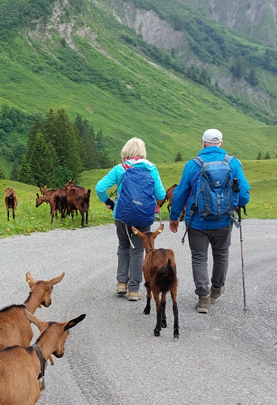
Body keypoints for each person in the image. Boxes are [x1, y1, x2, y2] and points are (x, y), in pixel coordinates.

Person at [168, 128, 251, 314]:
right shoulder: (233, 163)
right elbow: (244, 194)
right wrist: (235, 205)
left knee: (199, 257)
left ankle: (203, 299)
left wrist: (174, 217)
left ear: (203, 143)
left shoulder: (193, 165)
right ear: (221, 144)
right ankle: (216, 289)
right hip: (223, 220)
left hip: (197, 221)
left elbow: (180, 193)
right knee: (221, 255)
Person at [95, 137, 166, 302]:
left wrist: (109, 202)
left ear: (125, 153)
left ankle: (121, 284)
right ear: (143, 153)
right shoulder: (151, 168)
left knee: (123, 246)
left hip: (122, 215)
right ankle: (134, 290)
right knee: (137, 250)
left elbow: (99, 188)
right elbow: (161, 195)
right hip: (143, 217)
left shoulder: (120, 169)